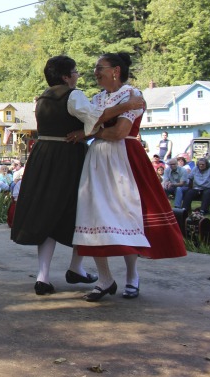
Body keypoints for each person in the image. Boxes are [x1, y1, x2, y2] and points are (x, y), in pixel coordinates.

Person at [11, 56, 144, 295]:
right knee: (81, 211)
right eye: (75, 71)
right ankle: (76, 267)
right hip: (67, 157)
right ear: (65, 76)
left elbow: (101, 127)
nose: (79, 75)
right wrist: (125, 106)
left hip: (43, 155)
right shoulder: (74, 95)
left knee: (53, 212)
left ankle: (50, 274)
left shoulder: (43, 97)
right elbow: (94, 119)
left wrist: (88, 132)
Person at [72, 53, 186, 302]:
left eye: (99, 68)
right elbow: (95, 128)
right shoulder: (99, 98)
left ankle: (132, 276)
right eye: (94, 68)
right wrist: (100, 127)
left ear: (116, 70)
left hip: (124, 158)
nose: (95, 72)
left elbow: (120, 132)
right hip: (98, 160)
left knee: (127, 214)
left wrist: (93, 131)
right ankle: (105, 279)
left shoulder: (133, 94)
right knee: (92, 215)